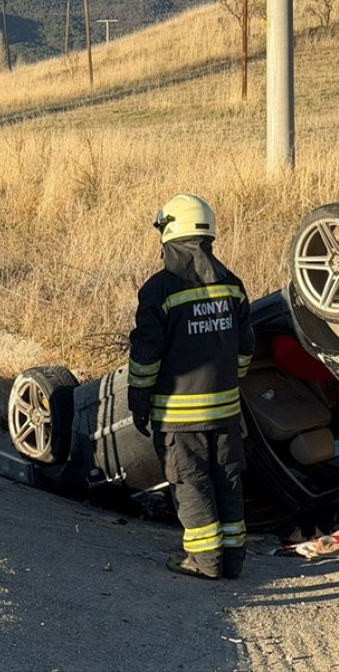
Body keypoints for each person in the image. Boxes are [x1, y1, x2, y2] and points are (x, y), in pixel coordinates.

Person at [127, 194, 254, 580]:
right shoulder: (232, 285)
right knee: (227, 482)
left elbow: (146, 354)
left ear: (168, 234)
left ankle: (204, 561)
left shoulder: (160, 290)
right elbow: (246, 348)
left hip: (180, 417)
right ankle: (232, 561)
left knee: (191, 483)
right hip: (227, 415)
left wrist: (139, 397)